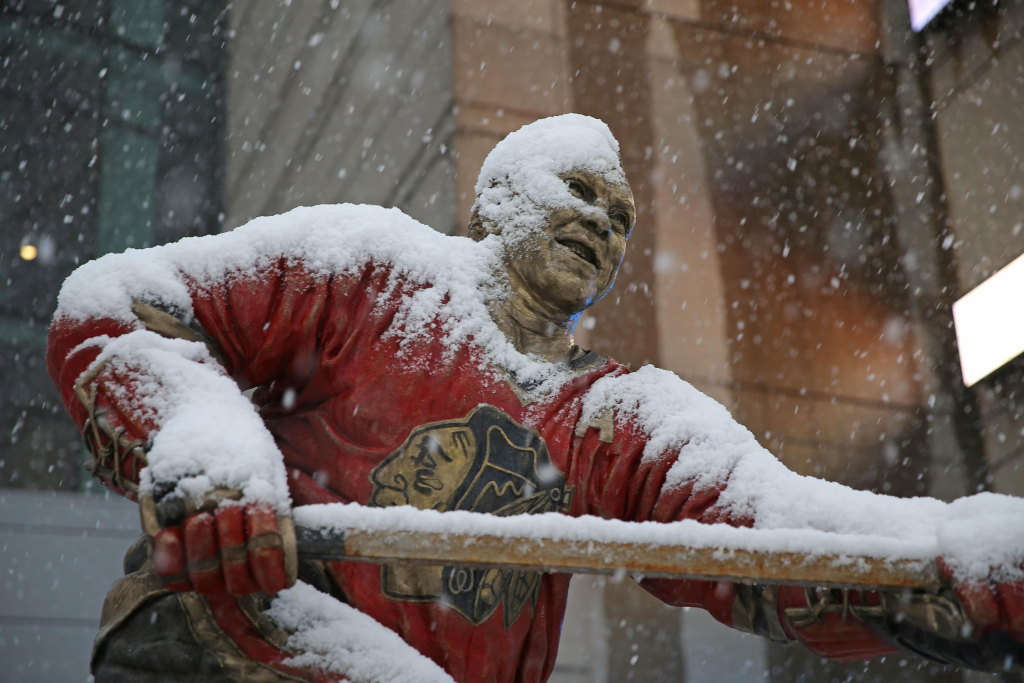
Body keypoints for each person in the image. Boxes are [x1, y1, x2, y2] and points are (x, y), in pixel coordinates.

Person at [48, 114, 1023, 683]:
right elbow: (117, 310)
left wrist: (937, 565)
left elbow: (768, 531)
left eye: (621, 220)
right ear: (496, 195)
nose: (603, 225)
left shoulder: (611, 413)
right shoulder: (370, 269)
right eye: (581, 193)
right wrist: (210, 447)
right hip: (239, 637)